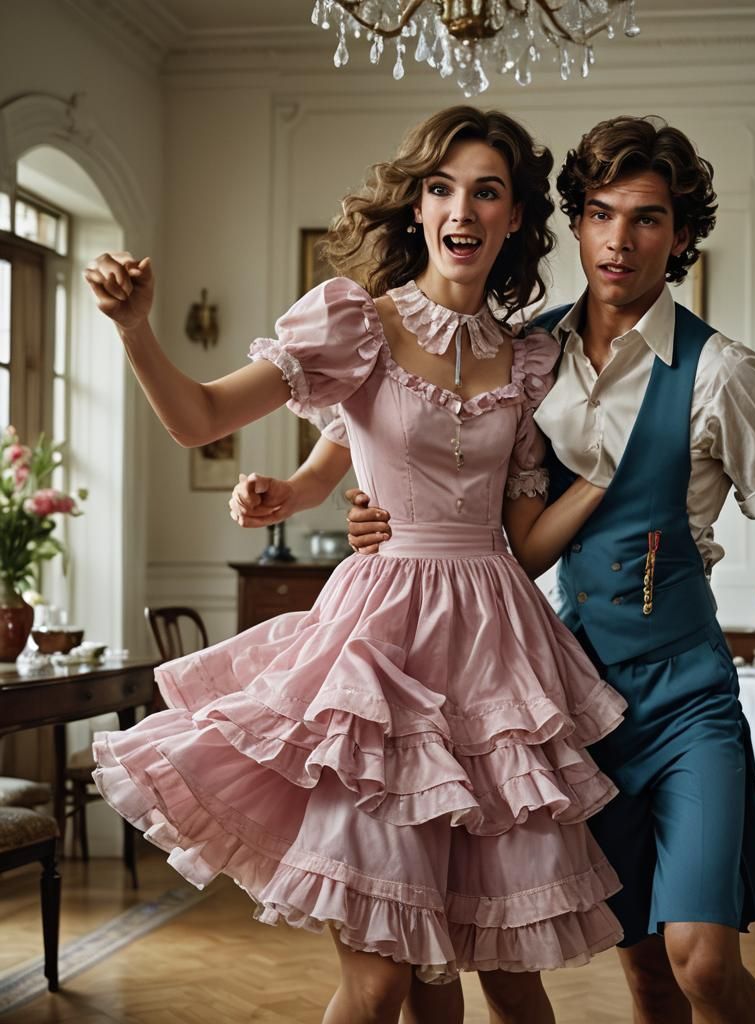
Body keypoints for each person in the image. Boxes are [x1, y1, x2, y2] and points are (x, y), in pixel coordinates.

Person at [315, 115, 755, 1024]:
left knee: (700, 962)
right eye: (602, 214)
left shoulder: (723, 373)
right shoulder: (522, 353)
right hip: (569, 704)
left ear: (682, 236)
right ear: (574, 224)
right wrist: (372, 511)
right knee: (644, 969)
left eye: (648, 219)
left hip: (689, 699)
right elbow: (445, 479)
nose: (620, 240)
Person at [84, 106, 634, 1024]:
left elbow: (525, 536)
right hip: (379, 652)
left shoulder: (533, 359)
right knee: (383, 978)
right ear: (419, 209)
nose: (462, 207)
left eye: (486, 191)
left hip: (498, 647)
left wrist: (608, 479)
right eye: (442, 188)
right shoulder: (357, 325)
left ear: (512, 219)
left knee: (500, 970)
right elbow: (200, 418)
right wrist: (138, 330)